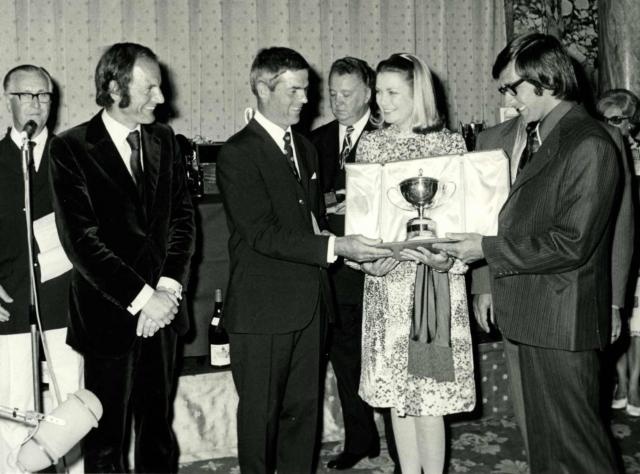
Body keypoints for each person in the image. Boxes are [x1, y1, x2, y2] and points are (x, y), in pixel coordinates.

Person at [436, 33, 622, 473]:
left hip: (561, 319)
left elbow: (571, 243)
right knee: (543, 446)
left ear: (546, 81)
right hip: (530, 314)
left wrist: (484, 248)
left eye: (512, 88)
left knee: (578, 449)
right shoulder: (548, 136)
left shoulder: (588, 144)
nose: (507, 99)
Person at [216, 47, 392, 474]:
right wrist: (337, 249)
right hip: (262, 311)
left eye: (306, 89)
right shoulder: (238, 153)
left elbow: (312, 224)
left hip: (311, 306)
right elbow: (261, 233)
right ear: (262, 88)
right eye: (294, 90)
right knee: (260, 420)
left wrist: (356, 256)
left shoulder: (306, 148)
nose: (305, 99)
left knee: (303, 416)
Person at [49, 43, 195, 473]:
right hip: (108, 316)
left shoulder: (164, 139)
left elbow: (182, 221)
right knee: (106, 441)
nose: (161, 98)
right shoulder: (71, 148)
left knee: (158, 434)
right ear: (115, 88)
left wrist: (167, 289)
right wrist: (141, 297)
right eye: (150, 88)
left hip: (163, 315)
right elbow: (82, 242)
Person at [354, 53, 475, 474]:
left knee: (430, 395)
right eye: (378, 93)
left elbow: (465, 224)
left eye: (392, 93)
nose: (381, 103)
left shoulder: (449, 143)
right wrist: (369, 263)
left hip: (433, 284)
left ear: (417, 93)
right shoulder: (369, 144)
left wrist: (449, 261)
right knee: (398, 398)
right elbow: (362, 220)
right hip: (388, 285)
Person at [0, 65, 84, 473]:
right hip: (9, 304)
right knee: (14, 408)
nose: (36, 104)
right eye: (26, 95)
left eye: (44, 96)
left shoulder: (72, 158)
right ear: (8, 100)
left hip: (64, 301)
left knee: (72, 403)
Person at [310, 57, 388, 470]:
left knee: (387, 357)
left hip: (379, 266)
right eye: (333, 94)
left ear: (368, 94)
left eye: (347, 94)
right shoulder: (314, 141)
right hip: (334, 268)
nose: (337, 102)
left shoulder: (387, 136)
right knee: (345, 359)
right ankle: (361, 440)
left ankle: (400, 444)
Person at [597, 88, 640, 415]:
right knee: (620, 319)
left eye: (613, 121)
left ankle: (635, 384)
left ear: (629, 122)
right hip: (621, 242)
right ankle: (622, 381)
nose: (607, 126)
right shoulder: (603, 148)